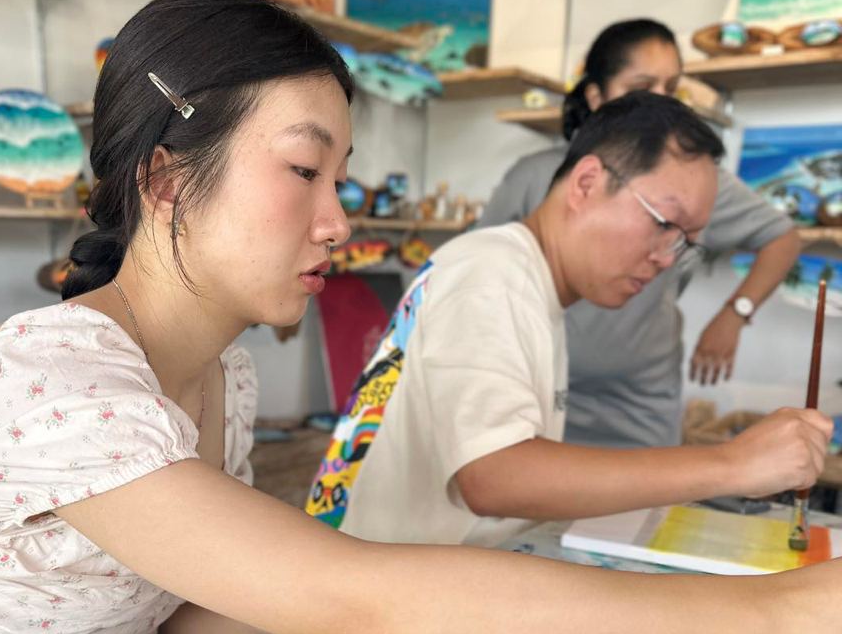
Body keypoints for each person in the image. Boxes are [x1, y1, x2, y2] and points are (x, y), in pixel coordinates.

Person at [0, 0, 838, 634]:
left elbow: (175, 624)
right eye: (305, 170)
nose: (338, 221)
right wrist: (776, 611)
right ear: (167, 178)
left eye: (339, 178)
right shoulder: (51, 375)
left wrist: (330, 584)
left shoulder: (225, 377)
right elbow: (370, 604)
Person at [305, 93, 829, 547]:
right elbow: (495, 477)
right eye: (665, 224)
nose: (667, 259)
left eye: (686, 244)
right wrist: (731, 465)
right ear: (586, 183)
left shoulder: (531, 284)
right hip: (373, 596)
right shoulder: (491, 274)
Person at [477, 19, 801, 449]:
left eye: (673, 88)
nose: (663, 258)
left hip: (638, 405)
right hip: (536, 392)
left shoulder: (698, 183)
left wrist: (734, 313)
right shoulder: (531, 182)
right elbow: (482, 278)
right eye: (643, 86)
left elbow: (782, 237)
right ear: (583, 185)